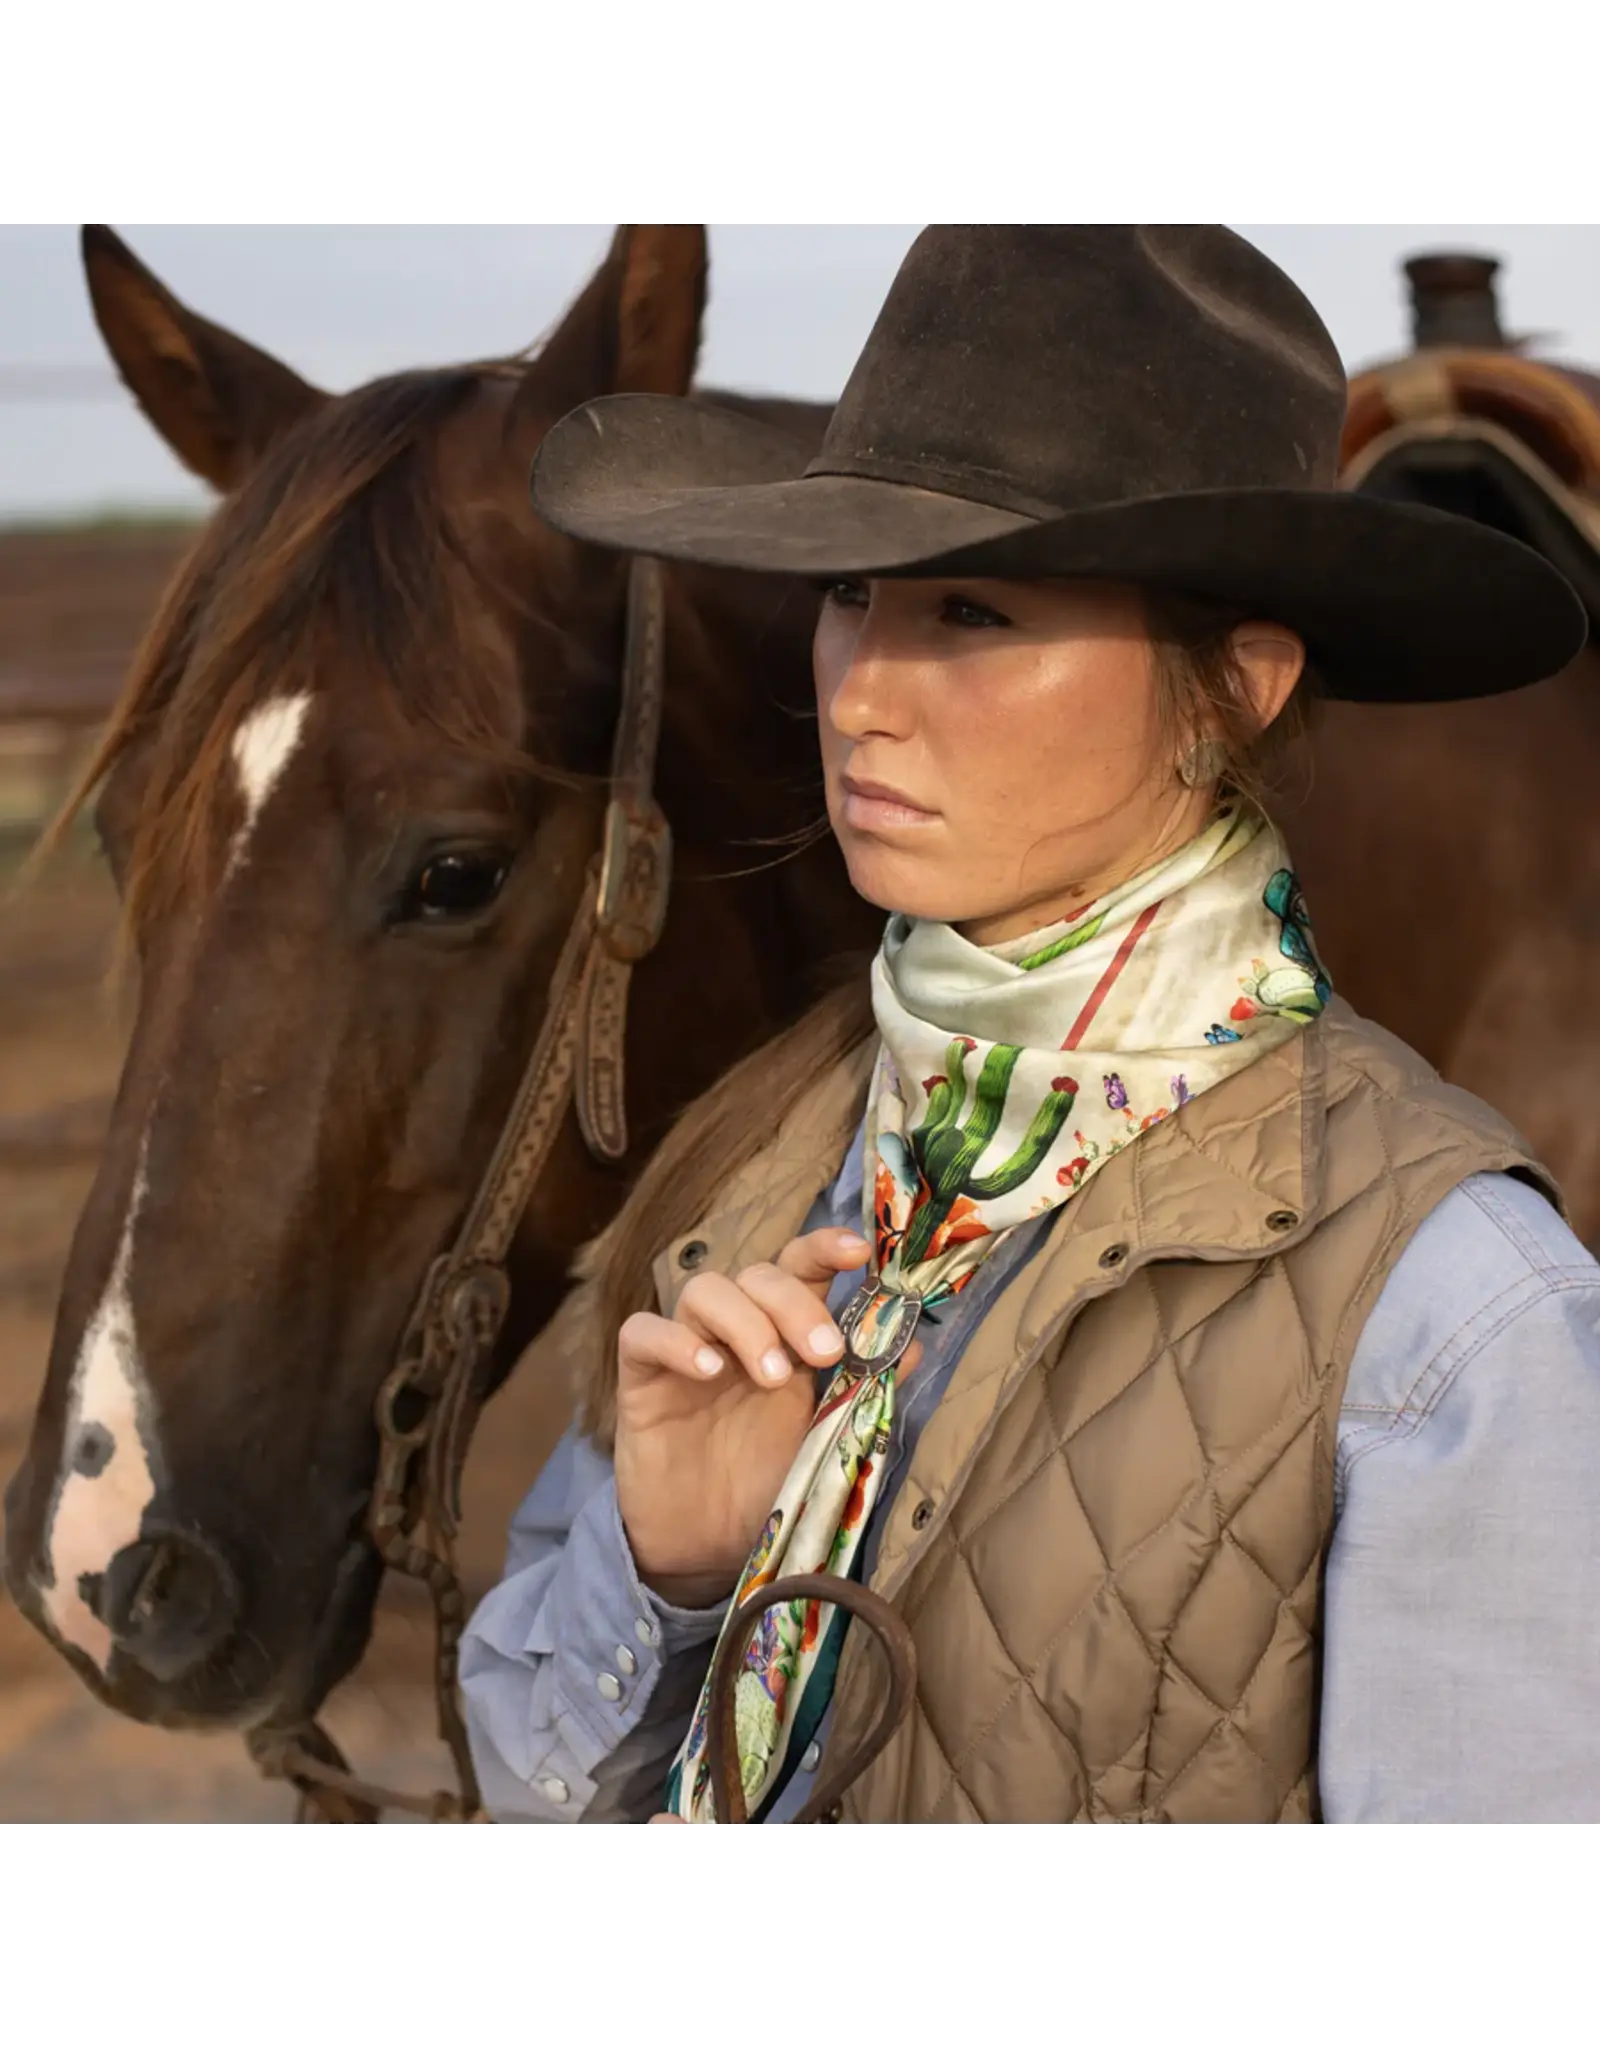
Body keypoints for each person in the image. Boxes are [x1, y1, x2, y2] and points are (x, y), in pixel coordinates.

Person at [460, 223, 1600, 1824]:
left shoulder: (1454, 1317)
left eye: (975, 614)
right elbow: (531, 1779)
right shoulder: (756, 1159)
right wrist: (667, 1575)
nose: (857, 690)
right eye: (852, 592)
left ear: (1237, 686)